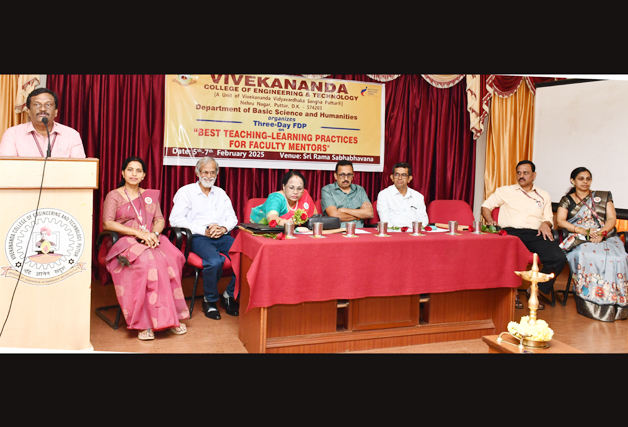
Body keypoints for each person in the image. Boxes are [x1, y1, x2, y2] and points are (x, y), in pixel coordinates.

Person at [103, 157, 188, 341]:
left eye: (138, 171)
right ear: (123, 173)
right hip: (126, 241)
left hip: (151, 238)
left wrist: (154, 235)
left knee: (171, 257)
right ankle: (145, 322)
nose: (134, 174)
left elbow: (159, 219)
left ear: (144, 175)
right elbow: (107, 223)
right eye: (130, 170)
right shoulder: (114, 195)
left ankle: (170, 318)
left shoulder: (149, 196)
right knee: (146, 262)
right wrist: (138, 233)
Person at [481, 160, 567, 310]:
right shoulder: (504, 191)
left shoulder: (543, 195)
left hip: (535, 233)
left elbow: (548, 218)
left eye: (526, 173)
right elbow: (486, 206)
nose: (521, 176)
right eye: (519, 173)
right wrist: (490, 220)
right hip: (511, 233)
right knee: (510, 255)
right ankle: (512, 292)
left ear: (534, 175)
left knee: (558, 257)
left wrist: (545, 223)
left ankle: (535, 290)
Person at [169, 157, 239, 320]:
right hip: (199, 237)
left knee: (245, 258)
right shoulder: (186, 192)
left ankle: (229, 294)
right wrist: (204, 230)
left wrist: (222, 228)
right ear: (198, 173)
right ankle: (210, 300)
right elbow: (175, 220)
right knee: (214, 262)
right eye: (205, 172)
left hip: (222, 235)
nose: (208, 176)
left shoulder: (220, 193)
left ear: (216, 174)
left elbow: (232, 218)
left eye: (212, 172)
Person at [556, 167, 628, 322]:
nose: (585, 182)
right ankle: (590, 301)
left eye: (588, 179)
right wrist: (582, 230)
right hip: (580, 235)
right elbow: (560, 221)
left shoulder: (603, 197)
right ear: (573, 181)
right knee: (587, 254)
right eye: (581, 178)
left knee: (619, 257)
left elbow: (612, 219)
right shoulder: (567, 200)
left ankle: (616, 302)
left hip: (605, 234)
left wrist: (601, 233)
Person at [0, 88, 86, 158]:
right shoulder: (13, 134)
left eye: (48, 105)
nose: (43, 109)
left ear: (56, 111)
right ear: (28, 111)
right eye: (37, 105)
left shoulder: (71, 135)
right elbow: (7, 168)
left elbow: (79, 169)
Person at [250, 170, 318, 226]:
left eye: (299, 188)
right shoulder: (276, 198)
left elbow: (316, 218)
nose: (295, 192)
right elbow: (272, 217)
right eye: (291, 188)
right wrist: (287, 223)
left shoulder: (305, 196)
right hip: (267, 232)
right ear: (284, 187)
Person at [321, 160, 373, 228]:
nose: (346, 178)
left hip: (359, 231)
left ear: (353, 176)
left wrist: (343, 210)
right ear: (335, 176)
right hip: (338, 231)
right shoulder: (327, 190)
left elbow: (369, 213)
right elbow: (334, 215)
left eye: (349, 174)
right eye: (342, 175)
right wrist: (360, 214)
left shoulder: (359, 190)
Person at [376, 162, 428, 228]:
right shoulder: (384, 195)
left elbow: (424, 221)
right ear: (392, 177)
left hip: (414, 232)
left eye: (404, 175)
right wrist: (400, 230)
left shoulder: (418, 197)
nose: (400, 178)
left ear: (409, 178)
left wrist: (412, 230)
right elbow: (385, 221)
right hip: (393, 232)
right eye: (397, 174)